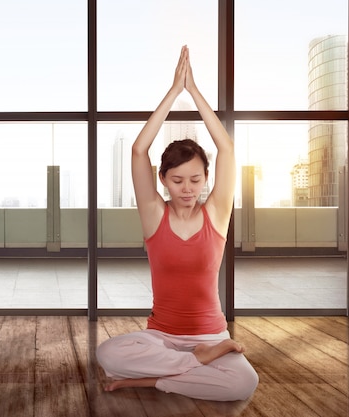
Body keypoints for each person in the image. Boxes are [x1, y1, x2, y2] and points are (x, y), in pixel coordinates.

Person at [96, 45, 259, 401]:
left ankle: (154, 380)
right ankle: (191, 365)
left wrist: (194, 91)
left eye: (196, 180)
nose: (188, 189)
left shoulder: (216, 214)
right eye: (178, 180)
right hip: (162, 337)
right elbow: (139, 151)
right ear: (164, 180)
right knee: (107, 353)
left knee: (244, 383)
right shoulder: (155, 215)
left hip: (212, 336)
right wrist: (173, 91)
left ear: (206, 179)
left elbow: (227, 150)